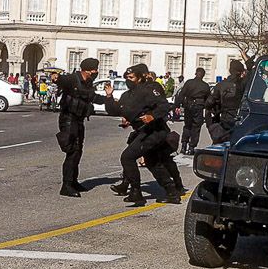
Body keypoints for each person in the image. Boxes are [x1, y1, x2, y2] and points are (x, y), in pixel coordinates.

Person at [102, 63, 182, 206]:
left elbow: (164, 106)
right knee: (153, 163)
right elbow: (115, 110)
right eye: (127, 77)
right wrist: (109, 96)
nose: (128, 79)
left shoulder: (149, 90)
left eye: (131, 77)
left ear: (140, 78)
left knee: (127, 157)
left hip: (155, 131)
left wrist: (152, 115)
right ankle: (172, 192)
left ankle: (136, 192)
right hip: (143, 131)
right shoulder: (127, 95)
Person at [55, 58, 107, 197]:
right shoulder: (73, 79)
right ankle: (66, 185)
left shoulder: (88, 83)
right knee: (72, 151)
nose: (96, 72)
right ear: (88, 69)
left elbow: (92, 97)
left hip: (79, 119)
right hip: (68, 119)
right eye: (95, 69)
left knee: (78, 151)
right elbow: (62, 81)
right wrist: (56, 78)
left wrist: (108, 99)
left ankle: (73, 181)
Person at [205, 59, 246, 144]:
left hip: (225, 118)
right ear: (240, 72)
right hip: (241, 118)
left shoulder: (221, 85)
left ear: (230, 70)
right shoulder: (244, 84)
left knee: (221, 143)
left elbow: (209, 102)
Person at [174, 68, 211, 155]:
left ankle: (183, 146)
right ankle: (191, 147)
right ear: (203, 75)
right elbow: (208, 99)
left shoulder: (189, 83)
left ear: (195, 73)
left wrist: (177, 105)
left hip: (189, 105)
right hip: (199, 106)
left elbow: (181, 94)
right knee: (196, 127)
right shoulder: (205, 85)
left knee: (187, 126)